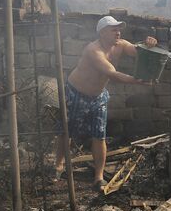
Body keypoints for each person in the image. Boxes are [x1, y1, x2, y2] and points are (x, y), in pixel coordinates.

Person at [54, 16, 158, 191]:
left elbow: (137, 51)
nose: (118, 32)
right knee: (67, 130)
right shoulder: (93, 50)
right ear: (102, 33)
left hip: (99, 95)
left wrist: (149, 44)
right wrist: (137, 81)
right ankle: (58, 165)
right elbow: (112, 74)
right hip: (77, 93)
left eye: (119, 29)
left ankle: (98, 177)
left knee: (99, 135)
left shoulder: (121, 44)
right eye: (113, 29)